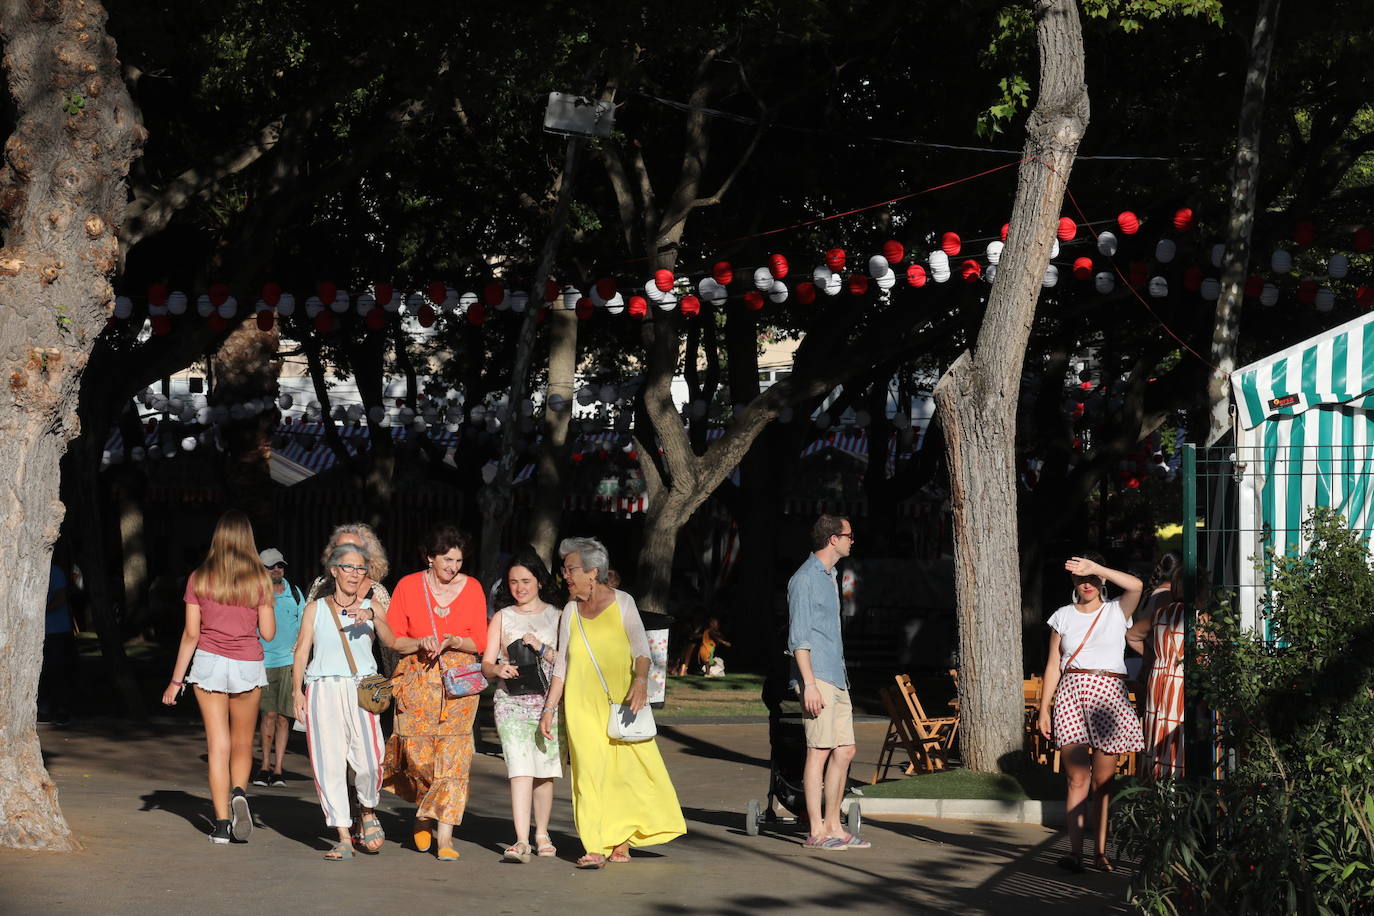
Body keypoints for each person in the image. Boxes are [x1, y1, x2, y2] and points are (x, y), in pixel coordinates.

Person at [539, 537, 685, 869]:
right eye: (565, 568)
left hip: (620, 703)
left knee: (623, 773)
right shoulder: (570, 612)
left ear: (593, 572)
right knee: (588, 774)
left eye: (571, 568)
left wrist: (640, 680)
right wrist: (549, 710)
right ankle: (595, 845)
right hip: (579, 707)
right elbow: (561, 664)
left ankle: (620, 840)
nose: (565, 574)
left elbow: (641, 650)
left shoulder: (623, 602)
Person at [160, 510, 275, 844]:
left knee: (218, 745)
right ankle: (239, 792)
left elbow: (191, 634)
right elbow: (268, 633)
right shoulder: (259, 580)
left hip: (209, 663)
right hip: (247, 665)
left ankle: (222, 824)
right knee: (242, 741)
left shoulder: (200, 577)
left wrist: (175, 681)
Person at [382, 524, 488, 861]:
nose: (453, 567)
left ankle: (445, 836)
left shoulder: (472, 588)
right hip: (416, 682)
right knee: (417, 753)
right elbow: (394, 639)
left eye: (458, 561)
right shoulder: (408, 586)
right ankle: (423, 814)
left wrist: (454, 640)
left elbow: (481, 642)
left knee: (455, 757)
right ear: (430, 557)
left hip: (459, 683)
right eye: (447, 560)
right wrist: (420, 642)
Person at [1037, 554, 1146, 874]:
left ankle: (1101, 852)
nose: (1086, 584)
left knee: (1103, 781)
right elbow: (1053, 664)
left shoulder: (1117, 611)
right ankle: (1075, 853)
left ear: (1102, 580)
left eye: (1092, 579)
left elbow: (1137, 585)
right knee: (1077, 778)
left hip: (1108, 695)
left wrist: (1096, 569)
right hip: (1071, 694)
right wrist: (1044, 708)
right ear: (1071, 581)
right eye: (1080, 578)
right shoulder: (1062, 616)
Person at [292, 542, 395, 860]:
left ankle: (367, 810)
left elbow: (392, 643)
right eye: (348, 567)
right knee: (329, 763)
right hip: (322, 689)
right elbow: (301, 651)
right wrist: (297, 691)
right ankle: (342, 835)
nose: (354, 573)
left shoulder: (374, 605)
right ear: (334, 570)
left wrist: (374, 615)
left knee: (370, 761)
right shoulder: (315, 608)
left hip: (361, 689)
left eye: (361, 568)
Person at [787, 514, 870, 851]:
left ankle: (835, 824)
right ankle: (817, 831)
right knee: (818, 752)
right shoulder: (805, 578)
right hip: (817, 676)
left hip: (837, 675)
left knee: (845, 750)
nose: (853, 540)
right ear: (833, 538)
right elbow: (798, 639)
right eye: (850, 535)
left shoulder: (830, 576)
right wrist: (808, 684)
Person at [480, 548, 564, 863]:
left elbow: (566, 662)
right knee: (519, 770)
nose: (520, 588)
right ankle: (521, 838)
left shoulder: (557, 616)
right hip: (510, 702)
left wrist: (542, 648)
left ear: (539, 581)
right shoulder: (502, 617)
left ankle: (542, 833)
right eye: (513, 582)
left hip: (547, 703)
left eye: (526, 581)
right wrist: (497, 669)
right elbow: (486, 663)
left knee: (543, 771)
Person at [1129, 551, 1186, 779]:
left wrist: (1154, 659)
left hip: (1154, 672)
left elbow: (1133, 635)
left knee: (1153, 729)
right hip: (1168, 671)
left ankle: (1153, 783)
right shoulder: (1167, 602)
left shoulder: (1150, 595)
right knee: (1166, 733)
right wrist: (1157, 656)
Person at [252, 548, 305, 788]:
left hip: (288, 664)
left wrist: (301, 657)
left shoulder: (294, 593)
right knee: (268, 715)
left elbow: (306, 626)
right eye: (271, 566)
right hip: (263, 663)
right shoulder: (254, 594)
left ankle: (278, 769)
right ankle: (263, 766)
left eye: (280, 565)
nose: (277, 570)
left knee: (284, 718)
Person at [38, 548, 78, 726]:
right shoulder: (32, 572)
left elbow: (60, 598)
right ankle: (44, 709)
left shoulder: (54, 571)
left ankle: (62, 710)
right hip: (39, 633)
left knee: (58, 671)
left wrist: (39, 612)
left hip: (56, 631)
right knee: (42, 672)